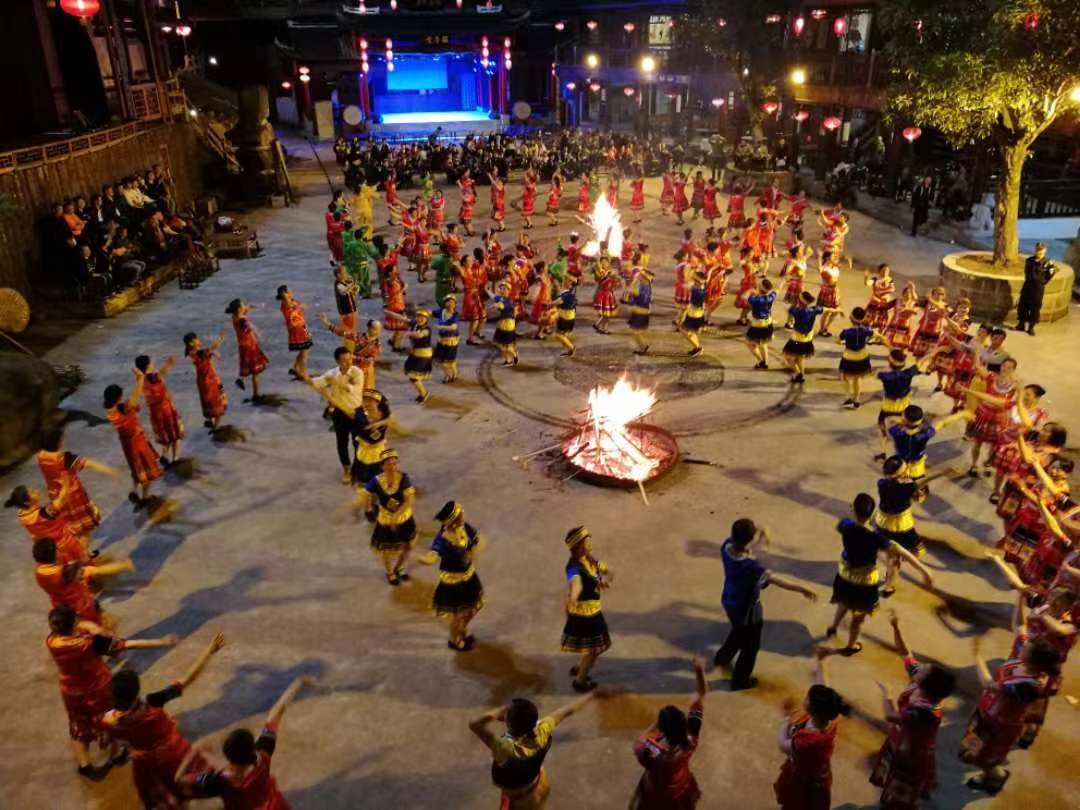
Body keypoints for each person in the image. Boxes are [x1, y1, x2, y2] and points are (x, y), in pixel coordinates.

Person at [45, 605, 177, 779]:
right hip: (96, 688)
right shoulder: (89, 644)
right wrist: (161, 642)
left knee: (78, 725)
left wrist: (87, 627)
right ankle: (117, 754)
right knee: (110, 719)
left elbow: (73, 628)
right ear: (75, 621)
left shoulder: (51, 640)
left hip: (69, 690)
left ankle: (85, 766)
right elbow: (127, 644)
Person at [102, 633, 226, 809]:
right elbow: (186, 679)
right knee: (185, 785)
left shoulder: (108, 720)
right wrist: (209, 651)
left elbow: (115, 742)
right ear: (136, 691)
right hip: (174, 755)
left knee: (161, 796)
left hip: (147, 767)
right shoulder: (151, 701)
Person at [177, 675, 315, 808]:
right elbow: (276, 712)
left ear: (227, 756)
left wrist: (195, 751)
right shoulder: (262, 756)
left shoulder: (219, 781)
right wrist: (298, 683)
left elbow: (182, 780)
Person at [825, 494, 933, 656]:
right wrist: (925, 571)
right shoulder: (876, 538)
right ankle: (851, 645)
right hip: (864, 582)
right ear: (873, 513)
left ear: (853, 509)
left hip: (844, 574)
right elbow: (901, 551)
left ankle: (833, 627)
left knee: (844, 601)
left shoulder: (845, 525)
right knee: (858, 617)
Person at [715, 519, 817, 690]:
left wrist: (760, 535)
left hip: (729, 599)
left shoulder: (726, 547)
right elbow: (775, 579)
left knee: (738, 632)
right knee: (751, 646)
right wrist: (803, 588)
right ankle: (740, 680)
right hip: (747, 609)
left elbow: (747, 547)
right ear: (749, 541)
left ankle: (722, 658)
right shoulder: (751, 568)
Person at [870, 612, 956, 810]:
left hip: (911, 751)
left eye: (924, 670)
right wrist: (896, 628)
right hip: (906, 738)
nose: (920, 667)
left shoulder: (922, 712)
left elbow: (891, 716)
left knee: (905, 787)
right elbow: (905, 653)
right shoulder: (924, 685)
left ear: (925, 685)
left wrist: (887, 696)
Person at [960, 634, 1060, 795]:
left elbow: (988, 684)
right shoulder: (1026, 665)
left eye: (1026, 648)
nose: (1022, 646)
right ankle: (988, 772)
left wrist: (976, 654)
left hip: (997, 728)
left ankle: (996, 777)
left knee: (983, 758)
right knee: (969, 751)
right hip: (986, 716)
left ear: (1033, 660)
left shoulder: (1027, 686)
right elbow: (1019, 628)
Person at [468, 693, 598, 810]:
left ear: (509, 722)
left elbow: (474, 725)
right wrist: (591, 695)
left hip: (522, 800)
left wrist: (497, 712)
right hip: (540, 783)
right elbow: (566, 711)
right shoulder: (542, 729)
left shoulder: (505, 748)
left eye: (507, 712)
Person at [774, 651, 849, 810]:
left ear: (813, 708)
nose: (804, 699)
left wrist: (786, 720)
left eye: (807, 698)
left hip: (805, 782)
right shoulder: (831, 717)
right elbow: (825, 688)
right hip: (819, 774)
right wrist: (821, 663)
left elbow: (782, 744)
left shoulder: (809, 740)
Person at [630, 657, 708, 810]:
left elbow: (638, 742)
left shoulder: (650, 749)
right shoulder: (691, 739)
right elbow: (702, 694)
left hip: (655, 791)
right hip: (681, 785)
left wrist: (653, 725)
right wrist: (699, 671)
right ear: (683, 723)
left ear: (663, 729)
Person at [417, 501, 486, 651]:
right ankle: (454, 640)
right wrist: (425, 559)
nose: (464, 513)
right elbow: (433, 554)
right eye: (461, 512)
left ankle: (461, 630)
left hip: (468, 575)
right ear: (454, 520)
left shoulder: (465, 527)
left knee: (474, 607)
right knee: (457, 615)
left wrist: (474, 550)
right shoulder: (443, 539)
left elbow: (477, 540)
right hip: (452, 582)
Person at [303, 346, 370, 483]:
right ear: (338, 362)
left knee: (359, 444)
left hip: (356, 412)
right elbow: (317, 383)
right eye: (344, 360)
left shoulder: (357, 372)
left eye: (350, 359)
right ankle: (347, 470)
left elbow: (352, 389)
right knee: (342, 443)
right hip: (340, 413)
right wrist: (304, 376)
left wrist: (336, 382)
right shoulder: (332, 373)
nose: (348, 362)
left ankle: (358, 470)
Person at [33, 538, 135, 625]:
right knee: (95, 621)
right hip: (79, 602)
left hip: (59, 603)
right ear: (54, 553)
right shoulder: (64, 572)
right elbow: (89, 571)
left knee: (96, 615)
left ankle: (108, 621)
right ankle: (125, 565)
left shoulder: (38, 570)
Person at [561, 526, 613, 693]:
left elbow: (605, 570)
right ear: (579, 546)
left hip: (593, 612)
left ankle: (580, 666)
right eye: (587, 541)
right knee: (595, 649)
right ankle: (580, 680)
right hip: (586, 616)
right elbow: (576, 585)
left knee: (594, 647)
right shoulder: (573, 568)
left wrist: (602, 581)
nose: (590, 543)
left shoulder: (589, 560)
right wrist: (572, 599)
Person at [36, 428, 114, 537]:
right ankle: (83, 553)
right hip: (73, 497)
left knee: (69, 526)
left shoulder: (40, 455)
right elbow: (89, 464)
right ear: (58, 441)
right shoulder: (63, 458)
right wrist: (109, 471)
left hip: (55, 496)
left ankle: (82, 551)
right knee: (83, 530)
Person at [103, 372, 162, 505]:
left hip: (127, 444)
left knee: (136, 469)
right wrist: (140, 378)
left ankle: (134, 492)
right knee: (146, 472)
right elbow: (136, 396)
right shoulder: (122, 409)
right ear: (118, 397)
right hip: (137, 443)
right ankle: (145, 498)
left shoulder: (111, 411)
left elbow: (134, 406)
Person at [361, 449, 416, 586]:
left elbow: (409, 500)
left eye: (395, 464)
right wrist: (368, 506)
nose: (393, 467)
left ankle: (400, 567)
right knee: (386, 549)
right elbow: (366, 492)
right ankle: (390, 572)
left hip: (404, 518)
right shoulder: (376, 480)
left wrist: (396, 516)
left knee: (408, 546)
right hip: (385, 519)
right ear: (382, 466)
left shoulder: (403, 478)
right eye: (389, 464)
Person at [134, 354, 184, 467]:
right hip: (166, 410)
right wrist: (168, 363)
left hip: (155, 413)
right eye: (151, 362)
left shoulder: (140, 379)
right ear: (148, 365)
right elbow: (161, 372)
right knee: (175, 435)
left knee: (165, 436)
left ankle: (165, 457)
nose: (153, 364)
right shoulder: (154, 377)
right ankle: (175, 459)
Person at [226, 299, 270, 402]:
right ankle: (256, 395)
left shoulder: (235, 316)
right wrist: (258, 338)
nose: (245, 306)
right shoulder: (242, 320)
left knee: (248, 366)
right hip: (249, 346)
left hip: (243, 346)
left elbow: (245, 310)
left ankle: (242, 379)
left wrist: (249, 307)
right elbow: (249, 330)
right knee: (256, 371)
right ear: (238, 309)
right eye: (242, 305)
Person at [183, 332, 228, 431]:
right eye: (196, 339)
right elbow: (212, 348)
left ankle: (211, 422)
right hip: (209, 381)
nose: (199, 340)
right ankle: (216, 428)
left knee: (208, 402)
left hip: (204, 380)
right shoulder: (198, 353)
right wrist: (221, 339)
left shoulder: (194, 352)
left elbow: (210, 356)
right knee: (218, 403)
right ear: (191, 343)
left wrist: (213, 353)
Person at [1015, 241, 1056, 335]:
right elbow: (1027, 273)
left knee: (1035, 308)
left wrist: (1042, 282)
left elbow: (1050, 275)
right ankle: (1021, 324)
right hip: (1028, 286)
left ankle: (1031, 327)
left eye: (1041, 250)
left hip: (1038, 288)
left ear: (1045, 250)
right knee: (1023, 305)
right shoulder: (1029, 260)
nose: (1039, 252)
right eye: (1037, 250)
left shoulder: (1048, 263)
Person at [276, 285, 313, 381]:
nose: (291, 291)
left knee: (303, 350)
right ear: (285, 294)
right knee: (305, 352)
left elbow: (298, 308)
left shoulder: (290, 301)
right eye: (289, 291)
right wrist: (300, 305)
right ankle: (304, 373)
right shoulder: (287, 303)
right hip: (297, 328)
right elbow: (293, 305)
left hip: (301, 326)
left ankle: (295, 368)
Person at [745, 278, 777, 370]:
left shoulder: (755, 300)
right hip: (768, 323)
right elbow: (776, 291)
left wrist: (750, 291)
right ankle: (765, 362)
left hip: (758, 325)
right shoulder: (771, 296)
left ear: (760, 288)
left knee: (750, 343)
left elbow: (745, 297)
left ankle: (761, 361)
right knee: (763, 343)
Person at [404, 309, 434, 404]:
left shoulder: (427, 329)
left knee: (414, 377)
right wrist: (389, 312)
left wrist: (410, 333)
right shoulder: (415, 324)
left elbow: (420, 335)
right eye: (418, 316)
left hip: (423, 355)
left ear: (426, 319)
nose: (420, 319)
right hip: (415, 354)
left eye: (422, 317)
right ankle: (422, 392)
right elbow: (403, 319)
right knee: (411, 374)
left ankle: (424, 394)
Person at [434, 295, 461, 383]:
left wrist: (440, 327)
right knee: (443, 360)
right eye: (448, 302)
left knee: (445, 362)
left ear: (454, 304)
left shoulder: (455, 315)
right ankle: (454, 373)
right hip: (442, 340)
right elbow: (430, 313)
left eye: (452, 302)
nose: (450, 304)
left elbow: (453, 327)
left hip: (451, 341)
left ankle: (448, 375)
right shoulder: (441, 312)